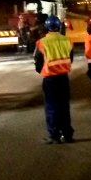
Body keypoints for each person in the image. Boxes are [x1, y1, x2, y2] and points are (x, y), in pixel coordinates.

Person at [33, 14, 74, 144]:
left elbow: (37, 62)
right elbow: (70, 59)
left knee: (52, 108)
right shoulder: (67, 41)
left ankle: (54, 135)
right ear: (59, 26)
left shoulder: (42, 42)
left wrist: (43, 71)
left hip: (50, 80)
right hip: (63, 79)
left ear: (47, 27)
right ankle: (67, 135)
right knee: (64, 107)